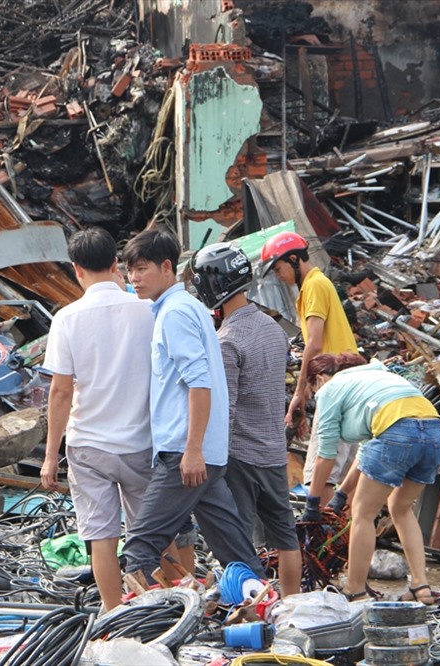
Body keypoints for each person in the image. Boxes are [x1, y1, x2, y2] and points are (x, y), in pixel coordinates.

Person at [120, 229, 262, 585]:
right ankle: (264, 609)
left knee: (139, 547)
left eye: (141, 269)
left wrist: (192, 450)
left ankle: (145, 625)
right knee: (235, 551)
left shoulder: (175, 314)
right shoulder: (189, 307)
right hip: (205, 451)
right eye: (130, 270)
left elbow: (199, 382)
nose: (133, 278)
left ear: (167, 267)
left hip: (185, 451)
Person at [40, 226, 158, 610]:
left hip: (88, 445)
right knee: (152, 534)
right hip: (142, 442)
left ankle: (113, 616)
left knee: (101, 538)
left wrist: (49, 455)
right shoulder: (148, 309)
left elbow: (61, 391)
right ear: (115, 265)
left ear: (76, 270)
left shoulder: (67, 318)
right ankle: (160, 609)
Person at [192, 242, 302, 597]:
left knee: (238, 540)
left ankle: (248, 603)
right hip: (273, 452)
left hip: (239, 455)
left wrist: (210, 458)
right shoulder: (273, 328)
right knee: (285, 535)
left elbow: (225, 407)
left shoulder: (226, 341)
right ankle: (290, 603)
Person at [305, 352, 440, 604]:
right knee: (400, 508)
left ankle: (355, 590)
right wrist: (341, 494)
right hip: (433, 430)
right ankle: (421, 586)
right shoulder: (377, 377)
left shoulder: (330, 389)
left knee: (362, 514)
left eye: (313, 387)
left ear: (319, 379)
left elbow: (325, 455)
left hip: (396, 431)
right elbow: (369, 448)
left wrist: (313, 503)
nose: (315, 394)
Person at [258, 231, 358, 504]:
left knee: (320, 475)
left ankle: (321, 542)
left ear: (293, 258)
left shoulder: (313, 285)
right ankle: (341, 541)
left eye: (279, 268)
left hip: (337, 388)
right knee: (345, 479)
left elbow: (314, 345)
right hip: (350, 387)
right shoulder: (318, 284)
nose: (279, 276)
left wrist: (299, 395)